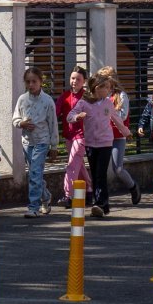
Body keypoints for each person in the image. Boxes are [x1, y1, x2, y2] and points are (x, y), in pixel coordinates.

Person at [68, 73, 124, 217]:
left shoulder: (108, 102)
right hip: (91, 144)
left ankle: (100, 203)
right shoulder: (84, 103)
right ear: (96, 88)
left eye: (109, 87)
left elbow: (116, 118)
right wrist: (77, 117)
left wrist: (126, 132)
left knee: (100, 174)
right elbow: (70, 116)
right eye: (105, 87)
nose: (108, 90)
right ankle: (103, 206)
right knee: (95, 174)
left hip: (106, 143)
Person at [13, 66, 57, 218]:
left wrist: (54, 145)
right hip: (27, 141)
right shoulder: (22, 99)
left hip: (42, 141)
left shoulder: (47, 101)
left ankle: (33, 207)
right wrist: (21, 123)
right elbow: (15, 119)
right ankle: (45, 197)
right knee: (34, 174)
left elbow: (53, 124)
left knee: (35, 173)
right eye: (28, 82)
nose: (31, 85)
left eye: (34, 81)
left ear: (40, 82)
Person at [99, 67, 141, 207]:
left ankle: (133, 187)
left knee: (118, 169)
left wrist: (108, 114)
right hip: (103, 136)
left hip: (117, 136)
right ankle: (101, 198)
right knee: (101, 168)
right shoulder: (100, 95)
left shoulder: (121, 95)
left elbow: (122, 116)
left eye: (105, 80)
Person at [56, 66, 89, 207]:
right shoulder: (65, 96)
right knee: (79, 166)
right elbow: (55, 112)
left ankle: (68, 195)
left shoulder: (87, 96)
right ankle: (90, 191)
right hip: (69, 136)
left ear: (84, 81)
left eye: (78, 79)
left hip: (81, 136)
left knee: (71, 166)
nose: (75, 81)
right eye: (73, 78)